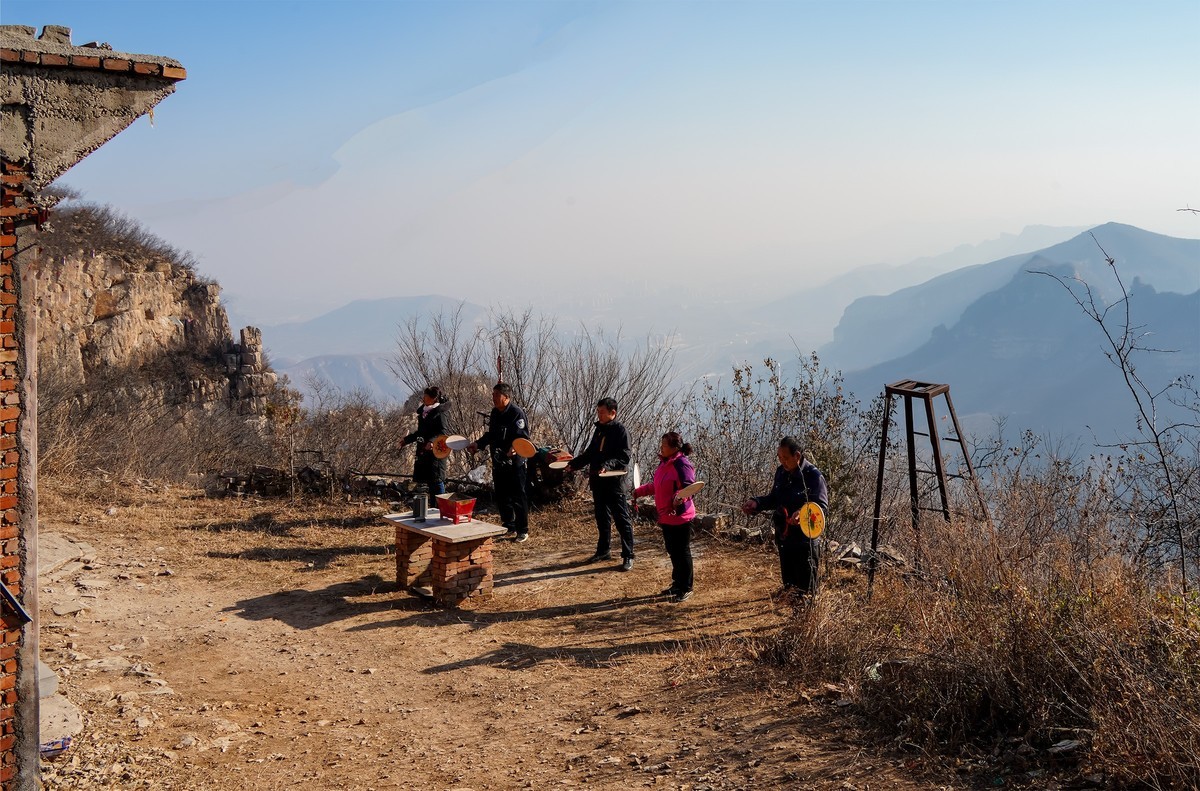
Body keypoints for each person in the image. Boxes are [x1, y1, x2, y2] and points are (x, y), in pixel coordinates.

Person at [741, 436, 829, 598]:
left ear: (797, 456)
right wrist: (757, 503)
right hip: (784, 538)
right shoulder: (781, 472)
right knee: (789, 586)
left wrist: (803, 514)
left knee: (806, 590)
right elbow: (774, 498)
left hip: (805, 542)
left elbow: (821, 508)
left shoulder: (814, 477)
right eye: (779, 458)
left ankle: (806, 619)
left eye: (786, 458)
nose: (782, 462)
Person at [566, 398, 634, 570]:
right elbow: (590, 453)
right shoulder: (599, 431)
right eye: (598, 411)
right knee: (602, 518)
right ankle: (604, 550)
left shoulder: (621, 431)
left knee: (621, 520)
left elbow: (624, 457)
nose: (599, 415)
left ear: (613, 413)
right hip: (598, 482)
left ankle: (628, 555)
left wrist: (607, 466)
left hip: (615, 482)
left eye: (602, 412)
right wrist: (573, 465)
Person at [632, 432, 696, 602]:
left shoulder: (682, 464)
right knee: (673, 551)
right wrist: (639, 492)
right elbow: (657, 486)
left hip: (680, 516)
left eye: (664, 445)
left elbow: (689, 489)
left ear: (674, 448)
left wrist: (677, 498)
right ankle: (677, 584)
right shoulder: (664, 463)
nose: (661, 447)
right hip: (666, 517)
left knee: (682, 551)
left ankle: (686, 587)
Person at [466, 383, 531, 542]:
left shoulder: (517, 414)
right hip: (498, 461)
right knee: (502, 495)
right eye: (493, 394)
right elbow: (491, 435)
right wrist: (478, 444)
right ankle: (509, 525)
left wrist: (513, 449)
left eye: (497, 395)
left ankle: (522, 530)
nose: (493, 398)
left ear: (506, 397)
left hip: (515, 462)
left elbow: (523, 438)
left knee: (518, 496)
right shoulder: (495, 413)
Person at [399, 386, 451, 496]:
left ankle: (440, 508)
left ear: (433, 398)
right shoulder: (424, 412)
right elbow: (420, 432)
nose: (423, 398)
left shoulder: (440, 412)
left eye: (426, 396)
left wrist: (432, 441)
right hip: (425, 451)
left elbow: (442, 432)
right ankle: (433, 508)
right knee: (431, 482)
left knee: (437, 480)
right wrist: (406, 440)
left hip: (437, 451)